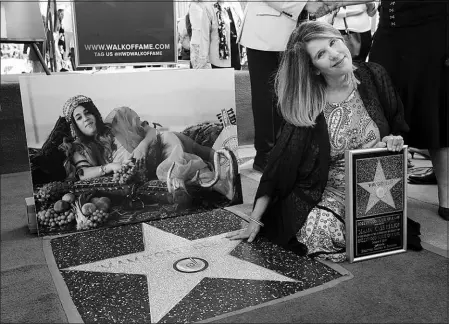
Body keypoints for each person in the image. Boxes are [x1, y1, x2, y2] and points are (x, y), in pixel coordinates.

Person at [227, 21, 422, 262]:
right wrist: (255, 220)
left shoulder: (374, 74)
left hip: (377, 187)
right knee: (317, 231)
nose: (335, 54)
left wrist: (392, 141)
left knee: (375, 227)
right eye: (321, 54)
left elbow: (396, 125)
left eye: (333, 42)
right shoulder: (309, 104)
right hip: (326, 190)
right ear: (315, 69)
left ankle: (364, 232)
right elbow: (278, 167)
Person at [59, 95, 237, 203]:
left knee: (171, 138)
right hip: (147, 166)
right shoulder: (79, 148)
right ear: (75, 125)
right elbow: (83, 173)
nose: (86, 119)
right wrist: (110, 167)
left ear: (94, 113)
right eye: (79, 117)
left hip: (157, 148)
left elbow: (151, 131)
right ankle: (219, 180)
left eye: (87, 113)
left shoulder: (114, 122)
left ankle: (220, 163)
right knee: (174, 151)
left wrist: (143, 146)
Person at [367, 0, 448, 221]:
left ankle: (446, 195)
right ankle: (381, 190)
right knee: (381, 105)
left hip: (432, 31)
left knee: (434, 108)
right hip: (389, 33)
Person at [237, 0, 338, 172]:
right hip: (267, 30)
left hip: (295, 29)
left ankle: (289, 151)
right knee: (268, 96)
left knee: (295, 93)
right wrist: (304, 4)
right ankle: (268, 156)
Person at [189, 0, 244, 70]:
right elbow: (205, 35)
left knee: (235, 79)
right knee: (221, 80)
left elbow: (242, 27)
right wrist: (203, 58)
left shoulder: (235, 5)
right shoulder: (209, 8)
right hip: (219, 58)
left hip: (236, 54)